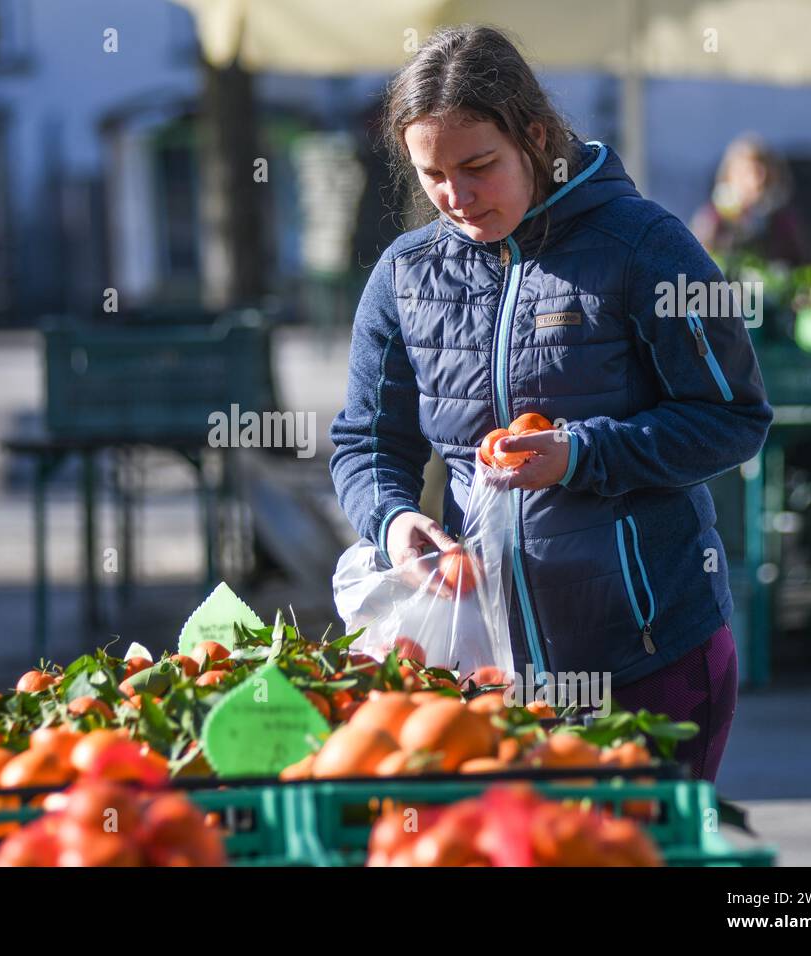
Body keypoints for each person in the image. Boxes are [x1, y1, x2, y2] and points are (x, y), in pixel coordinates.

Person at [328, 27, 772, 783]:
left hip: (649, 653)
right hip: (486, 669)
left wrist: (585, 454)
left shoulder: (646, 247)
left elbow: (733, 418)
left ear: (534, 137)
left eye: (478, 167)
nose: (456, 198)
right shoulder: (405, 276)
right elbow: (367, 444)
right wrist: (396, 520)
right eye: (432, 174)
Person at [690, 134, 811, 266]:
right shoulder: (713, 219)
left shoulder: (782, 221)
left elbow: (802, 263)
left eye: (763, 172)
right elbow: (696, 262)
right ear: (730, 176)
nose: (757, 180)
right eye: (748, 172)